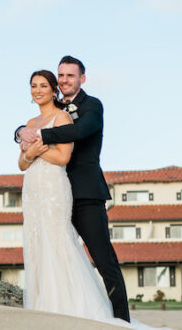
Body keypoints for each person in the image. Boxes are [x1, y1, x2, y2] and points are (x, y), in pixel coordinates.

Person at [16, 57, 130, 323]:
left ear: (82, 79)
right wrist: (21, 130)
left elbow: (78, 131)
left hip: (86, 196)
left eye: (70, 75)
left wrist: (38, 136)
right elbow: (33, 125)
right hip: (51, 195)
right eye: (62, 76)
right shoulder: (52, 109)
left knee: (104, 261)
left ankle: (122, 321)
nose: (65, 80)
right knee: (54, 255)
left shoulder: (92, 106)